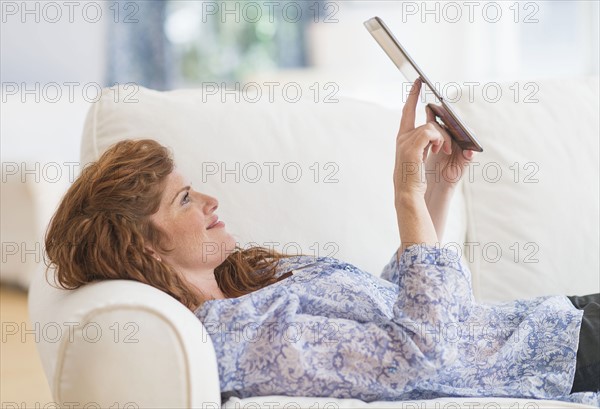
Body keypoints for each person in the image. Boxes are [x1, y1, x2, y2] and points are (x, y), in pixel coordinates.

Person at [45, 79, 599, 406]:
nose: (211, 202)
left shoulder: (248, 287)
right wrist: (405, 196)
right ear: (144, 247)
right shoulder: (240, 339)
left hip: (558, 323)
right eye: (185, 199)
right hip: (567, 353)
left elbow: (393, 313)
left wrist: (436, 192)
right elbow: (420, 353)